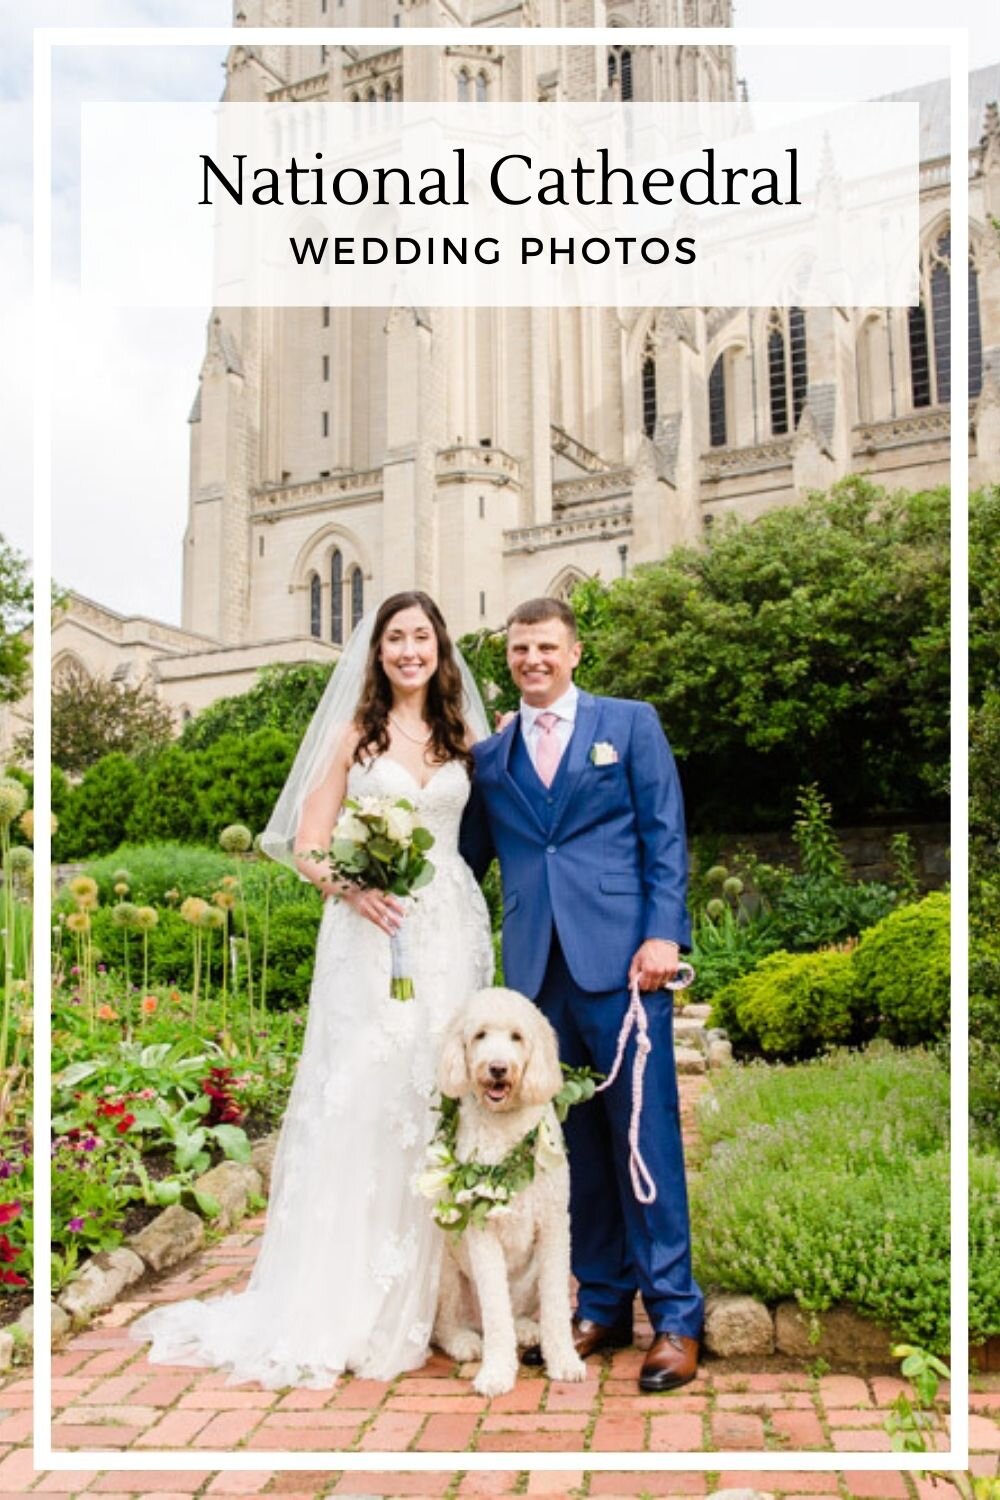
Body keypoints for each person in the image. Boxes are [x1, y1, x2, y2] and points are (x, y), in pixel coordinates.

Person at [128, 592, 494, 1388]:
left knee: (439, 1100)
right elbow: (306, 845)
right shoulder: (352, 736)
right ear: (376, 651)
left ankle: (441, 1301)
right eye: (394, 637)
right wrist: (356, 890)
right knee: (368, 1095)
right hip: (372, 932)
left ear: (440, 649)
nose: (408, 650)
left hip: (452, 929)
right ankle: (352, 1299)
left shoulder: (464, 734)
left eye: (421, 637)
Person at [460, 595, 704, 1393]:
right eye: (519, 648)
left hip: (626, 967)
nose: (533, 659)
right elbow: (466, 856)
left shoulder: (629, 724)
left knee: (644, 1141)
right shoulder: (492, 758)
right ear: (508, 656)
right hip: (538, 981)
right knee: (573, 1155)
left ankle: (675, 1316)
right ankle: (602, 1301)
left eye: (546, 647)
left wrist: (665, 935)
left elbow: (663, 830)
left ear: (575, 652)